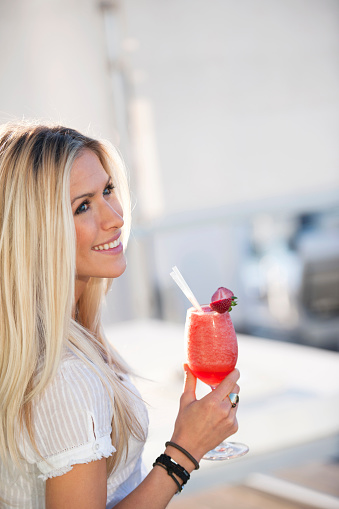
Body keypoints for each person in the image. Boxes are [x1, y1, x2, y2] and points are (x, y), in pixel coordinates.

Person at [0, 121, 240, 509]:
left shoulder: (61, 337)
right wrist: (184, 451)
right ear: (40, 233)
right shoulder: (66, 377)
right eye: (83, 206)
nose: (115, 217)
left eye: (108, 190)